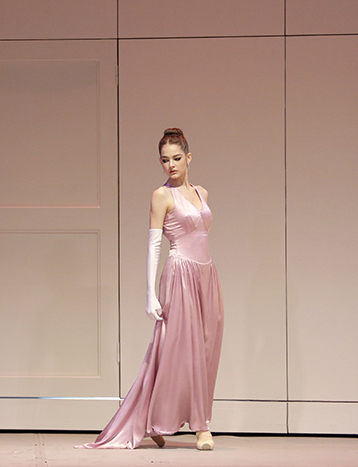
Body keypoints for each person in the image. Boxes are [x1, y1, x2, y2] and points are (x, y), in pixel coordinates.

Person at [77, 128, 224, 451]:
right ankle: (201, 427)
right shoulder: (161, 195)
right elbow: (154, 246)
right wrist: (150, 294)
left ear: (188, 157)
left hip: (206, 275)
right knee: (176, 352)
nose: (170, 165)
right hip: (180, 274)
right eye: (164, 160)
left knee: (206, 349)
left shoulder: (202, 193)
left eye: (176, 158)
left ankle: (149, 420)